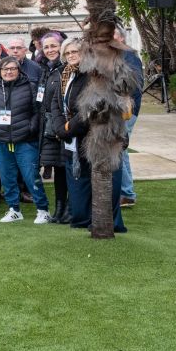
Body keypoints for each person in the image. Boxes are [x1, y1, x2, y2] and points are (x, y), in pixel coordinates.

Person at [53, 38, 127, 233]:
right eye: (67, 53)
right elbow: (57, 103)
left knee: (105, 183)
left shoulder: (94, 74)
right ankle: (82, 219)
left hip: (97, 137)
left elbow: (91, 109)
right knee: (79, 186)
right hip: (73, 141)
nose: (71, 55)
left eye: (75, 52)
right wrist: (60, 126)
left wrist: (66, 129)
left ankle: (108, 222)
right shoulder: (65, 74)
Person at [0, 57, 51, 223]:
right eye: (5, 69)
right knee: (7, 177)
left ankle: (43, 210)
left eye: (13, 68)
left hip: (25, 141)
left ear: (19, 71)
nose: (9, 72)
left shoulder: (30, 86)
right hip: (1, 140)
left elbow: (38, 111)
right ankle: (14, 210)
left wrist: (30, 128)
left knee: (31, 176)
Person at [36, 32, 70, 223]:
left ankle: (69, 209)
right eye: (46, 47)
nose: (50, 50)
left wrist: (61, 126)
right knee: (58, 169)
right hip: (48, 128)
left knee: (66, 168)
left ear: (61, 47)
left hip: (62, 127)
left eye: (53, 46)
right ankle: (59, 208)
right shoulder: (46, 69)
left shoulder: (66, 69)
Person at [116, 28, 144, 209]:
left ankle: (126, 193)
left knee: (118, 149)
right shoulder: (115, 55)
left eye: (112, 35)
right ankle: (126, 192)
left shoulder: (128, 56)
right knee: (121, 150)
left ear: (121, 38)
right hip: (116, 110)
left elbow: (133, 85)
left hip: (125, 111)